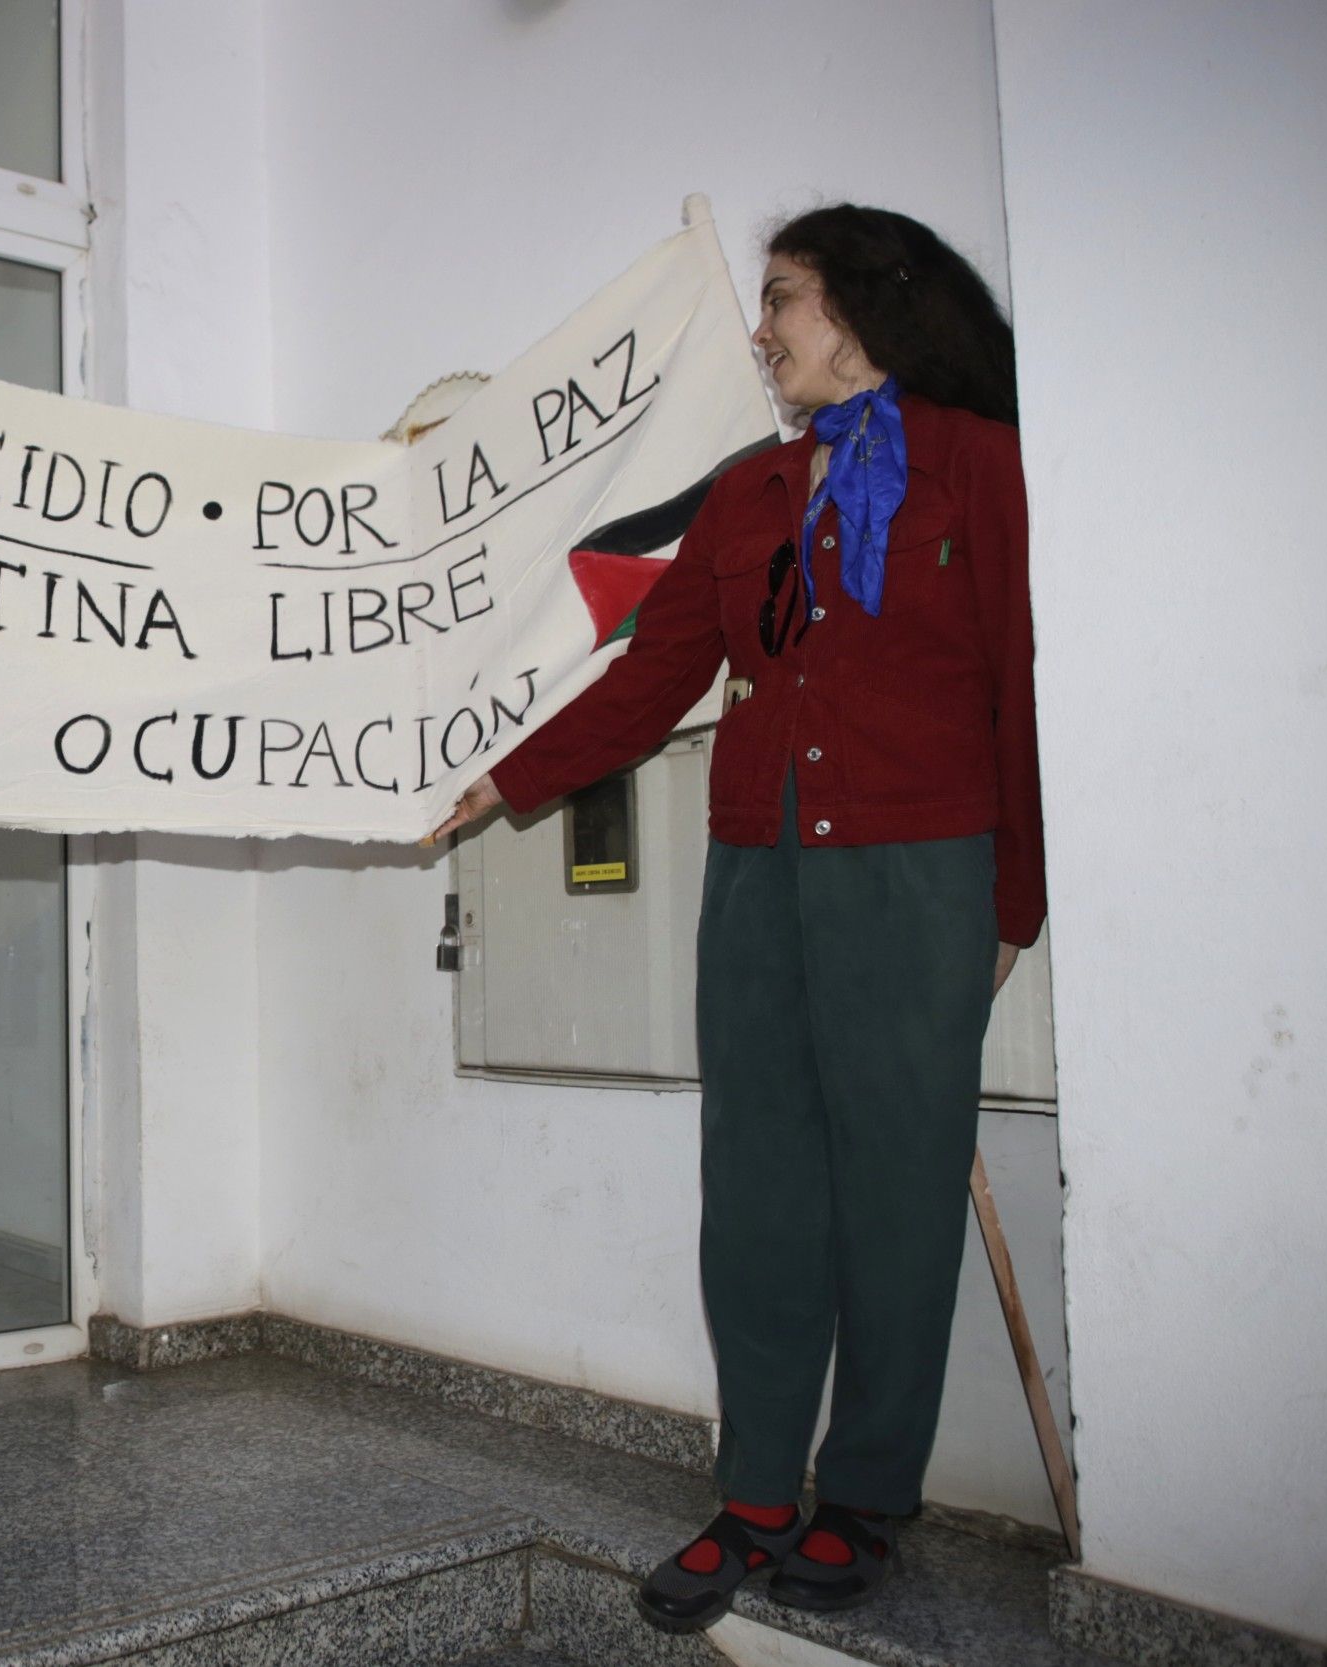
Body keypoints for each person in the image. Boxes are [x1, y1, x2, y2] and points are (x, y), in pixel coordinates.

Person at [432, 205, 1041, 1630]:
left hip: (919, 868)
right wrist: (496, 781)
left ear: (868, 307)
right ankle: (759, 1489)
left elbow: (1020, 674)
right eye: (763, 303)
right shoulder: (750, 493)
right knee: (758, 1188)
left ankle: (870, 1489)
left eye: (783, 300)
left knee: (897, 1188)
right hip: (758, 867)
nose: (763, 331)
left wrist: (1016, 894)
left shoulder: (980, 463)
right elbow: (656, 679)